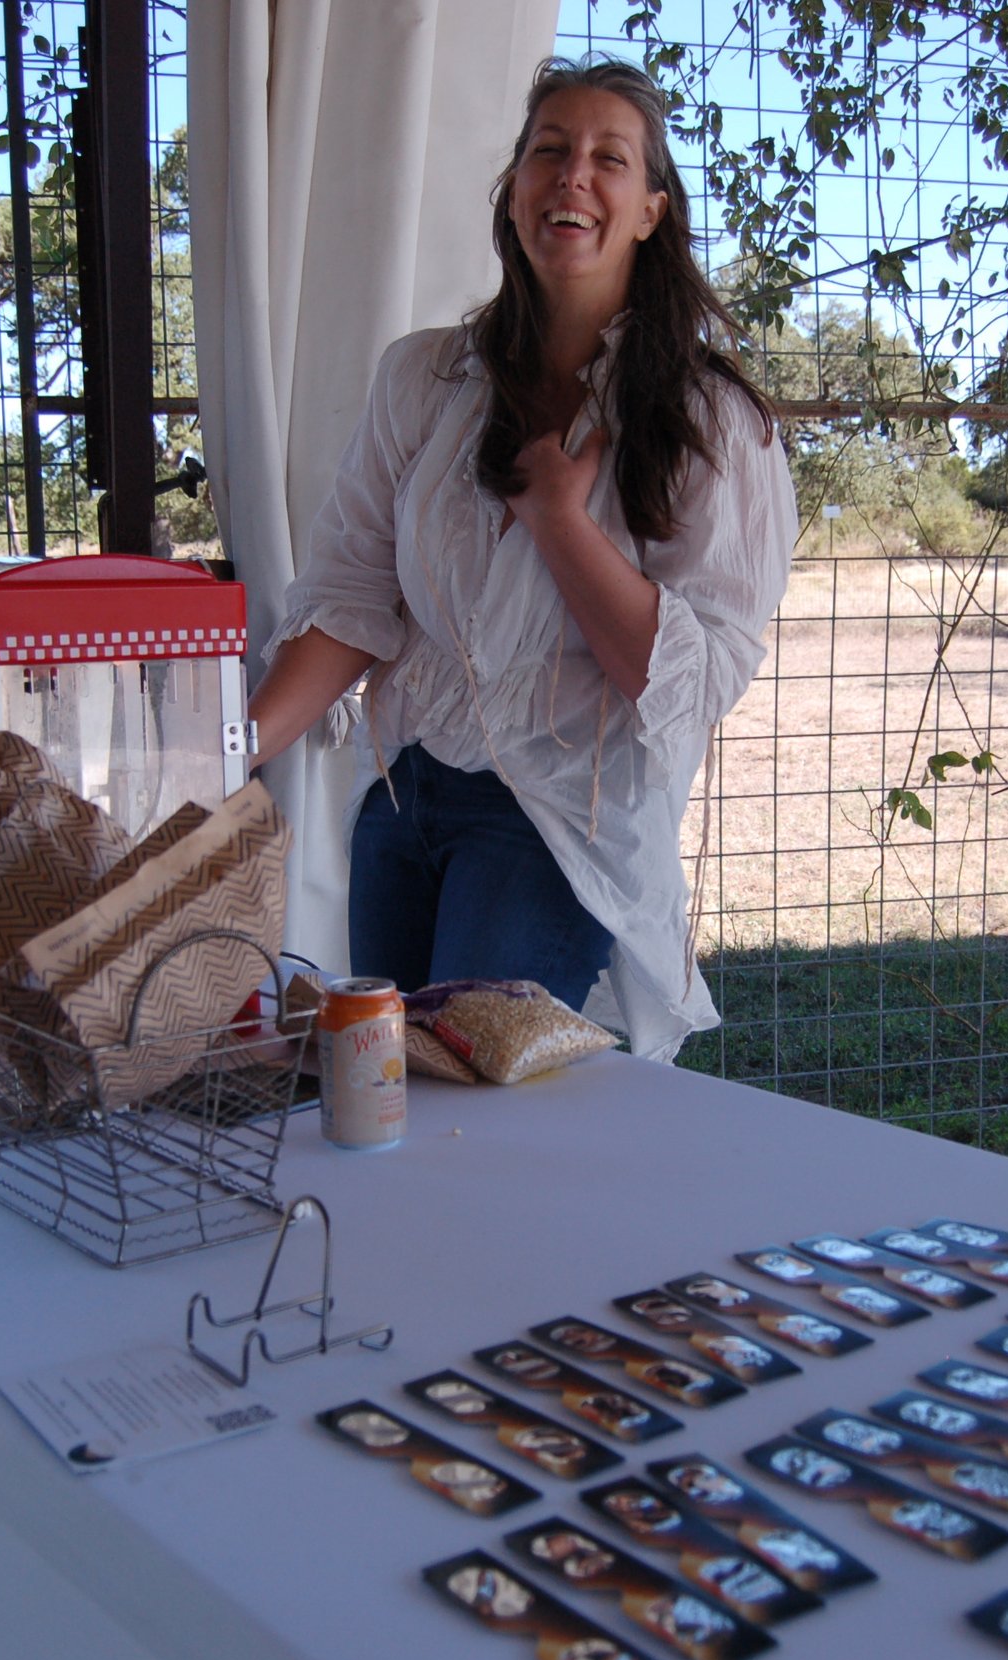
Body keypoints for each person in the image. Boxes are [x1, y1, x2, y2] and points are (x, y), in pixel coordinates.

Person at [244, 55, 797, 1061]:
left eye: (607, 159)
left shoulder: (710, 422)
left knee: (485, 1131)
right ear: (512, 196)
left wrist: (559, 519)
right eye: (549, 150)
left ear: (650, 212)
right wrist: (234, 749)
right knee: (392, 1101)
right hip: (403, 808)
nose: (571, 176)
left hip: (550, 832)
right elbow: (354, 593)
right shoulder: (423, 380)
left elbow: (685, 686)